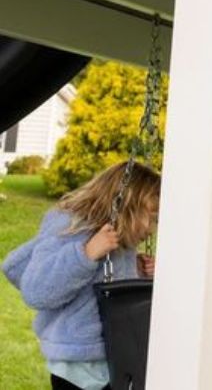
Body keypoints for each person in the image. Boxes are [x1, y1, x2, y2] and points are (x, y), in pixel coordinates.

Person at [3, 162, 161, 390]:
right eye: (152, 217)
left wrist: (140, 271)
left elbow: (113, 290)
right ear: (129, 205)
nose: (152, 228)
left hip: (113, 357)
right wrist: (85, 254)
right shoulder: (72, 227)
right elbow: (37, 291)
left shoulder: (120, 237)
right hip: (76, 366)